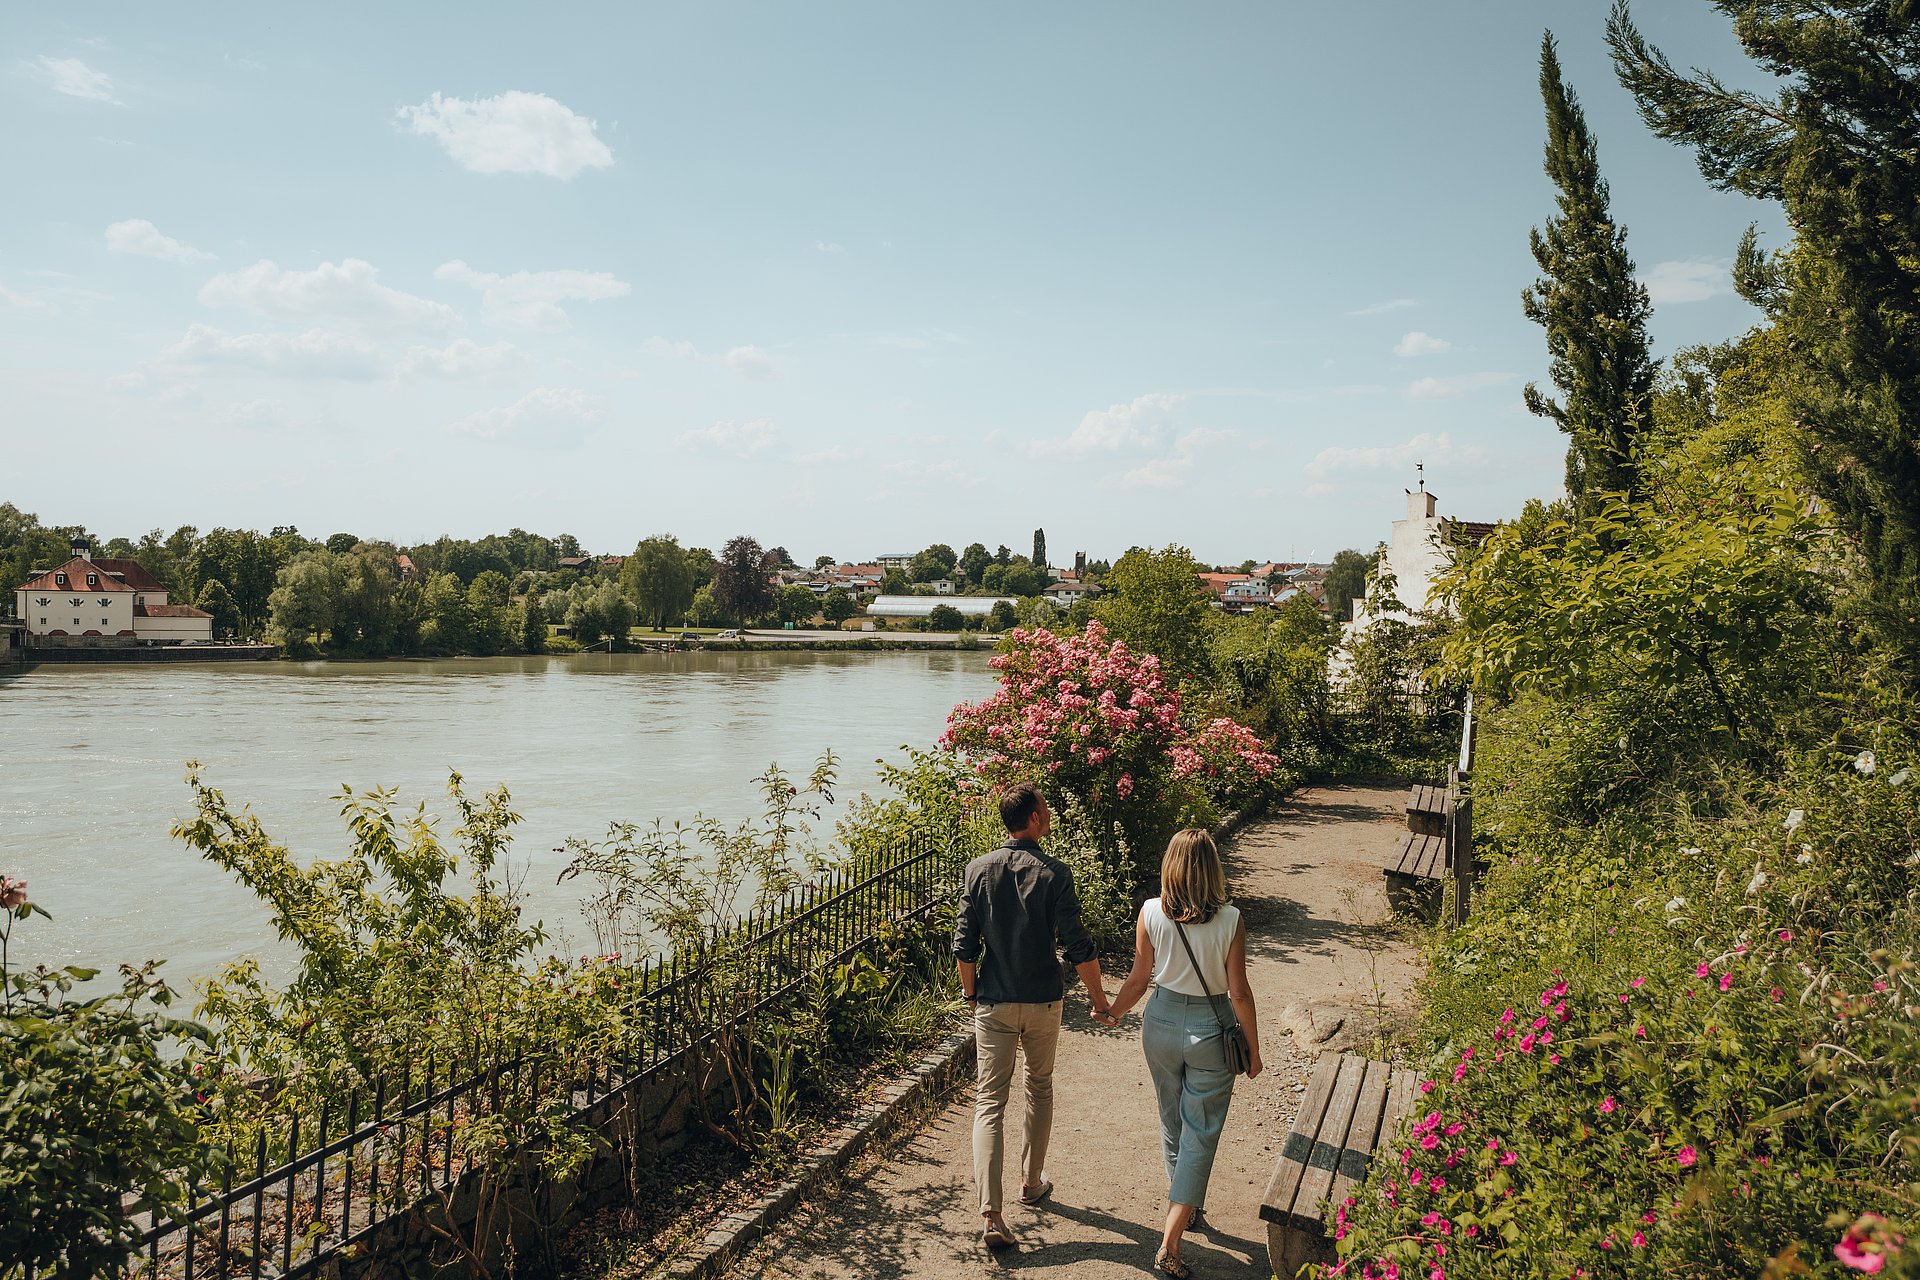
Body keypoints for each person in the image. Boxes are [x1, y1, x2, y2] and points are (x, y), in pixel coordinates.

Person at [953, 782, 1114, 1249]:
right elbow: (1078, 945)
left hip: (994, 1001)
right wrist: (1100, 1001)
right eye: (1045, 809)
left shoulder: (978, 870)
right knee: (1038, 1087)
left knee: (988, 1104)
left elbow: (964, 947)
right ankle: (1031, 1182)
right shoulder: (1055, 873)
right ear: (1035, 818)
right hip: (1043, 1001)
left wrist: (972, 995)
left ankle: (990, 1212)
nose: (1049, 814)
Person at [1106, 828, 1263, 1277]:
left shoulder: (1151, 911)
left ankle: (1186, 1207)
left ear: (1170, 866)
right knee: (1203, 1128)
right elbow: (1239, 992)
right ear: (1212, 867)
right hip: (1211, 1029)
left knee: (1172, 1117)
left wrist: (1114, 1012)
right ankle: (1171, 1238)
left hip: (1159, 1022)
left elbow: (1139, 979)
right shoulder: (1231, 919)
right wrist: (1253, 1048)